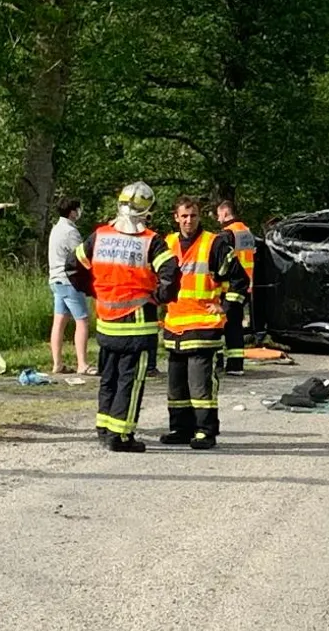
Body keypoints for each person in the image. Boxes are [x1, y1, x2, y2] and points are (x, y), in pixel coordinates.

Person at [68, 181, 181, 453]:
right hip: (137, 323)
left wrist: (95, 290)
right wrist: (159, 297)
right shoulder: (151, 241)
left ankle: (104, 427)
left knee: (109, 377)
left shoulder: (100, 236)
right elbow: (171, 273)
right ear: (147, 210)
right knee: (130, 380)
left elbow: (72, 266)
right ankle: (121, 436)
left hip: (107, 322)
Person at [162, 197, 248, 450]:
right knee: (176, 386)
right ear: (176, 217)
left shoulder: (214, 243)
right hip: (175, 326)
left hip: (203, 326)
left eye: (193, 216)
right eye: (184, 216)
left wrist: (226, 307)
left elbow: (239, 279)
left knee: (200, 385)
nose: (189, 221)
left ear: (199, 217)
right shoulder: (167, 243)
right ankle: (180, 429)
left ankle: (205, 431)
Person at [48, 197, 93, 375]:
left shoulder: (56, 228)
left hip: (56, 279)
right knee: (82, 321)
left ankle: (57, 363)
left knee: (59, 322)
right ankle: (82, 364)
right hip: (69, 281)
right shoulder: (70, 232)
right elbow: (80, 256)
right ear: (72, 212)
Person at [215, 200, 255, 376]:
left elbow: (222, 263)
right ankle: (236, 365)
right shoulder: (246, 232)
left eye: (218, 215)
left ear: (225, 213)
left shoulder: (227, 234)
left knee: (222, 324)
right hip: (246, 285)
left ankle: (220, 363)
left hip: (229, 286)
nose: (218, 219)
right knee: (236, 325)